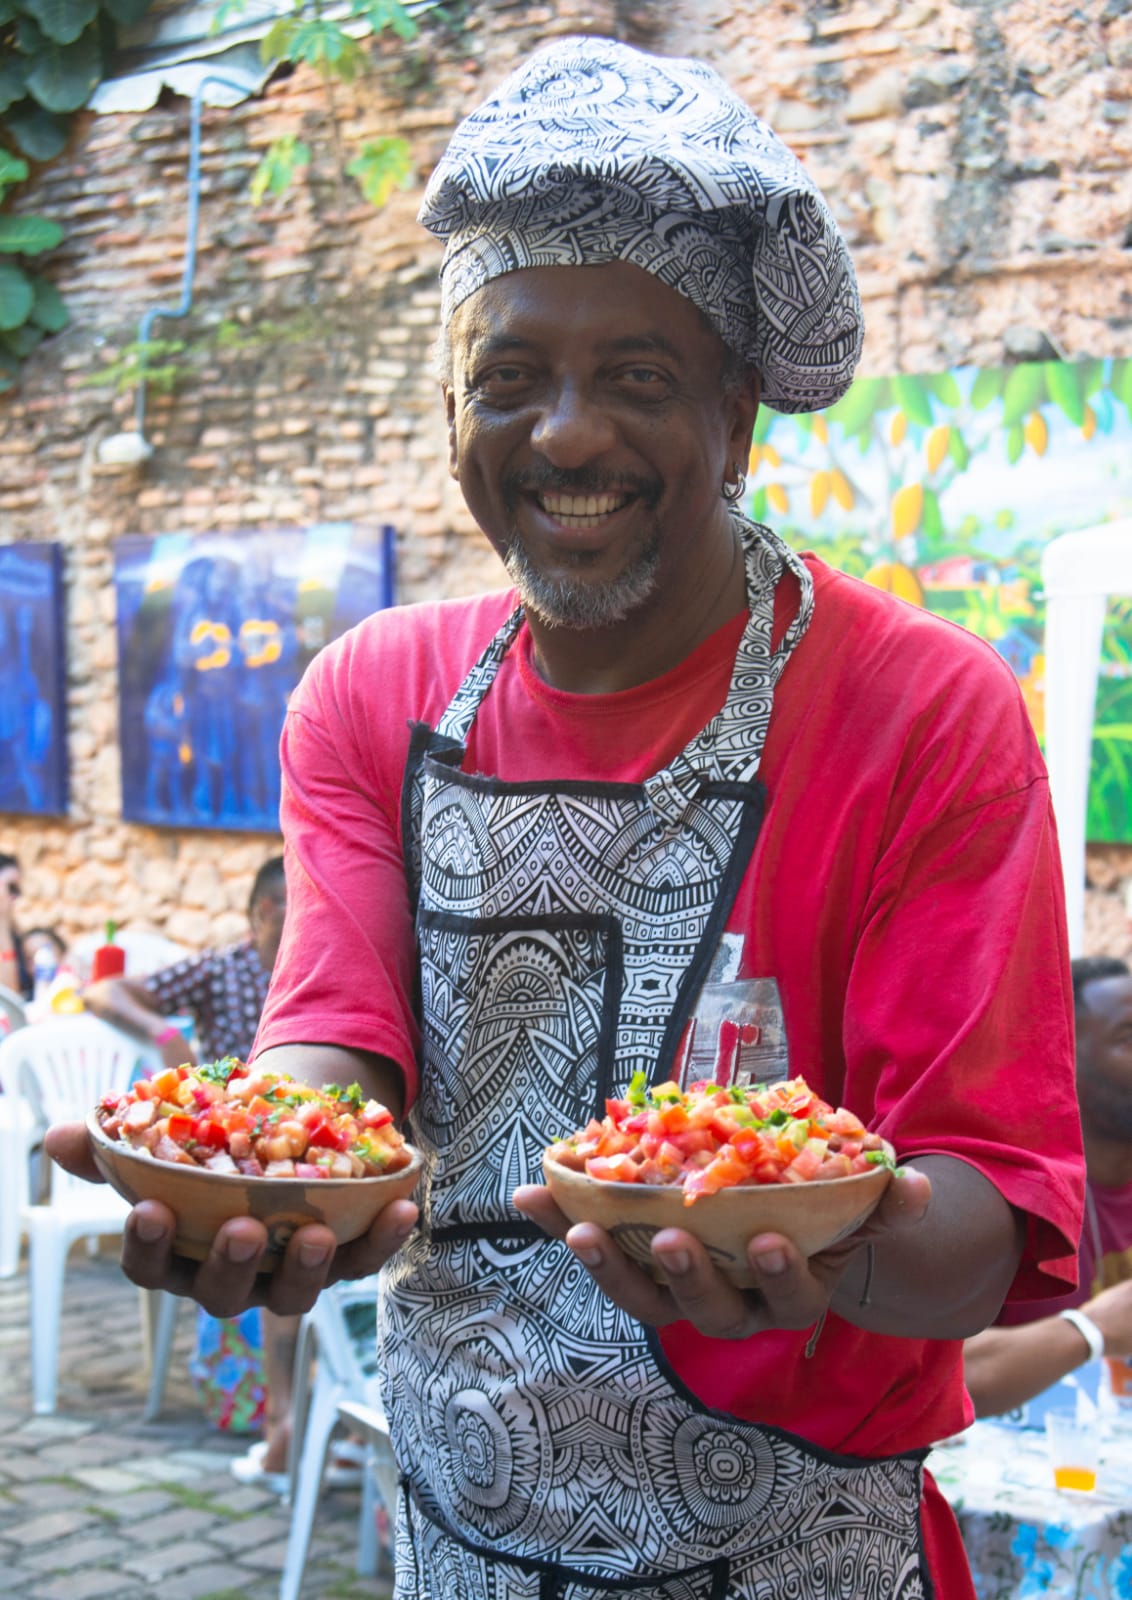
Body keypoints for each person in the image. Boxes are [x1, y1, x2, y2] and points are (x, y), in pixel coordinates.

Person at [48, 36, 1085, 1599]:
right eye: (509, 379)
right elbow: (335, 1058)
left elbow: (986, 1225)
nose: (567, 435)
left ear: (740, 411)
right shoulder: (368, 696)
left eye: (639, 380)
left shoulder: (922, 712)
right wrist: (266, 1190)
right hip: (454, 1544)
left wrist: (817, 1242)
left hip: (803, 1554)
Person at [84, 854, 299, 1488]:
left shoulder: (317, 970)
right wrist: (163, 1034)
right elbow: (103, 991)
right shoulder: (221, 969)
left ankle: (295, 1420)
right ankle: (275, 1418)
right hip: (218, 1165)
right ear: (268, 911)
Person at [964, 955, 1132, 1421]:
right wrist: (1092, 1330)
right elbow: (940, 1375)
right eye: (1128, 1037)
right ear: (1064, 1056)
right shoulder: (1008, 1194)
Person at [0, 852, 30, 998]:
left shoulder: (13, 930)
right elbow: (8, 994)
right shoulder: (4, 927)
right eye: (11, 888)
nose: (15, 896)